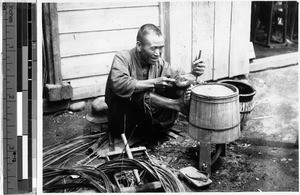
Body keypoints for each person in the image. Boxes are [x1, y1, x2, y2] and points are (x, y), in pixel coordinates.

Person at [105, 24, 205, 137]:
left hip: (146, 121)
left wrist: (194, 73)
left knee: (175, 87)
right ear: (139, 46)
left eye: (160, 47)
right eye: (153, 48)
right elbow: (119, 84)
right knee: (139, 93)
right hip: (123, 122)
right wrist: (154, 82)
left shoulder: (159, 62)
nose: (158, 53)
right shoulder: (122, 57)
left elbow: (178, 77)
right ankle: (178, 105)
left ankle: (170, 117)